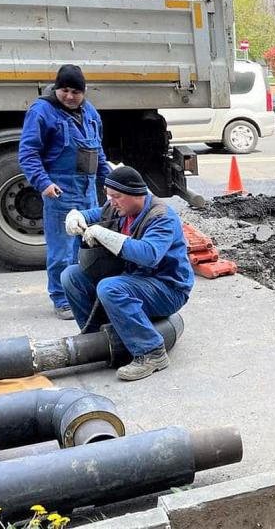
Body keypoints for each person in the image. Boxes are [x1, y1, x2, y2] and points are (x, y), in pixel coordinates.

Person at [61, 166, 194, 381]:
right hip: (137, 280)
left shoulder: (161, 217)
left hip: (167, 288)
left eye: (116, 196)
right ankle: (96, 342)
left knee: (110, 287)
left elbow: (149, 254)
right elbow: (94, 214)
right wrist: (77, 216)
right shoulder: (120, 207)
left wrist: (105, 235)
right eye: (108, 195)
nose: (111, 201)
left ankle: (151, 352)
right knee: (71, 276)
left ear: (137, 195)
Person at [19, 65, 110, 320]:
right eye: (64, 90)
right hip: (60, 191)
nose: (69, 96)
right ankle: (61, 298)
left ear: (84, 92)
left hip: (88, 190)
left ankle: (83, 293)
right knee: (62, 251)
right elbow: (28, 153)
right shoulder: (42, 112)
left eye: (75, 91)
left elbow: (98, 151)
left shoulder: (90, 112)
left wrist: (110, 181)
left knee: (88, 246)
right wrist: (43, 183)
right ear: (56, 88)